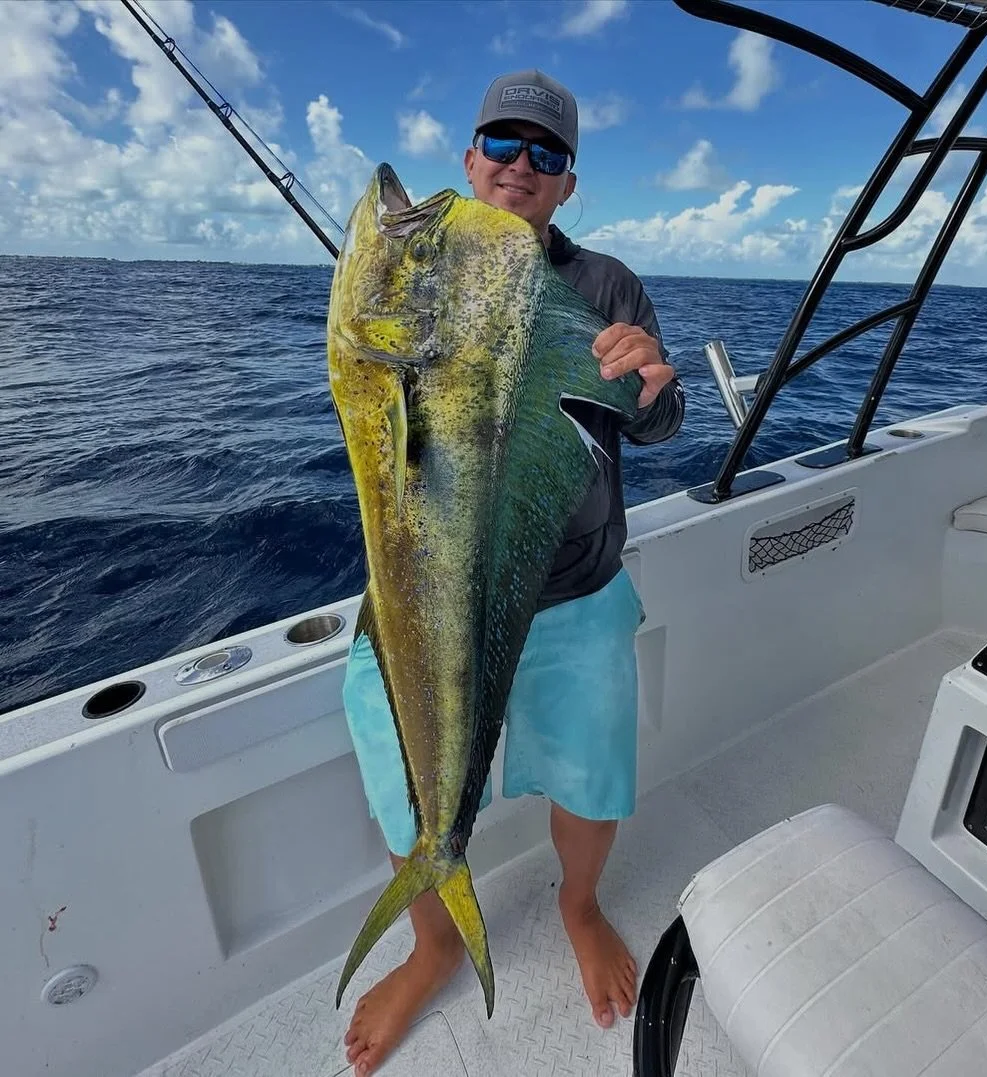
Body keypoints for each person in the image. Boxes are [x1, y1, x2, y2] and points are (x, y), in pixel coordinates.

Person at [342, 69, 685, 1076]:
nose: (518, 166)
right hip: (416, 600)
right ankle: (435, 942)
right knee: (407, 794)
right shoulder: (420, 268)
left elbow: (656, 422)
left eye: (546, 154)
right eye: (502, 144)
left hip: (574, 591)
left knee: (590, 775)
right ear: (470, 159)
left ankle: (576, 908)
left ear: (567, 184)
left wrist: (656, 383)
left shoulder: (606, 284)